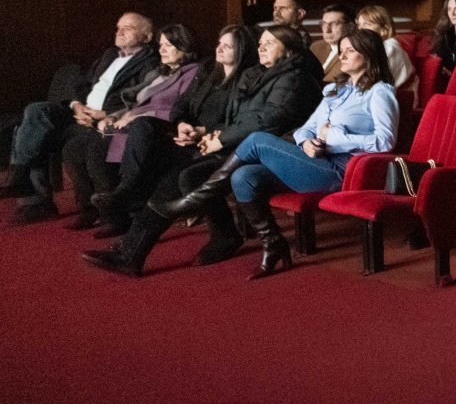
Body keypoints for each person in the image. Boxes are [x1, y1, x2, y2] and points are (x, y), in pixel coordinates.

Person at [151, 29, 397, 280]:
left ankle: (194, 200)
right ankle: (273, 244)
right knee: (243, 177)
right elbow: (306, 129)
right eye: (341, 50)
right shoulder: (336, 90)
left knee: (257, 140)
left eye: (350, 51)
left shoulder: (380, 92)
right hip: (315, 159)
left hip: (342, 171)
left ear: (368, 55)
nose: (342, 55)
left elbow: (385, 141)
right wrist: (309, 142)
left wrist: (334, 138)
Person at [85, 25, 321, 277]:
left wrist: (221, 139)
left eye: (270, 43)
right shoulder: (260, 74)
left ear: (288, 50)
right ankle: (131, 251)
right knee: (172, 178)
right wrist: (209, 134)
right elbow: (236, 118)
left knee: (187, 176)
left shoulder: (293, 77)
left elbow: (269, 119)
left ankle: (217, 234)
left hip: (268, 153)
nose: (261, 47)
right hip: (238, 145)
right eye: (261, 42)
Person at [81, 24, 256, 234]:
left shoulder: (241, 79)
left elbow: (238, 120)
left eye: (227, 46)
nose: (218, 48)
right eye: (219, 44)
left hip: (214, 143)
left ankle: (129, 197)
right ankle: (119, 212)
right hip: (185, 135)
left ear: (243, 50)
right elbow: (183, 106)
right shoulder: (211, 75)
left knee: (167, 171)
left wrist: (198, 131)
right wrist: (184, 124)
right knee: (94, 144)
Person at [8, 12, 159, 223]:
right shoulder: (109, 55)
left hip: (104, 120)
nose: (120, 32)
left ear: (147, 36)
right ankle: (23, 180)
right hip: (80, 112)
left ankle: (36, 199)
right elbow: (84, 86)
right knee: (35, 112)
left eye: (129, 28)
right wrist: (76, 104)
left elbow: (142, 98)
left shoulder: (150, 63)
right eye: (118, 27)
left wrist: (104, 114)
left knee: (43, 135)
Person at [61, 25, 204, 233]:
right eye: (160, 45)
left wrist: (135, 116)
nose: (162, 50)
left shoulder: (193, 72)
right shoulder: (159, 73)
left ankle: (119, 206)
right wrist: (114, 116)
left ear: (184, 47)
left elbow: (181, 107)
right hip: (133, 123)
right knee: (74, 147)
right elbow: (133, 105)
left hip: (160, 127)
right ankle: (91, 209)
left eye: (168, 45)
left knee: (99, 147)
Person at [354, 5, 414, 94]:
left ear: (383, 30)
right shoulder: (372, 49)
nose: (360, 29)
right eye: (359, 24)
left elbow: (371, 85)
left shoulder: (390, 49)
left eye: (367, 24)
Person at [310, 5, 352, 85]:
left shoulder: (354, 51)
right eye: (323, 24)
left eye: (334, 24)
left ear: (349, 26)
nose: (326, 30)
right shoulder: (316, 47)